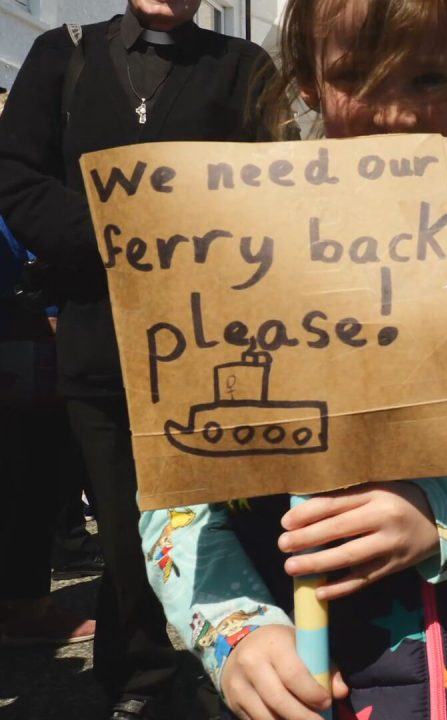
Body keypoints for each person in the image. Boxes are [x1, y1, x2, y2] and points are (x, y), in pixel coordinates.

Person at [142, 2, 447, 719]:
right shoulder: (235, 260)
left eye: (430, 77)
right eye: (357, 76)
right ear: (308, 79)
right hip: (329, 686)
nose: (399, 112)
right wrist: (234, 630)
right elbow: (176, 496)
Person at [0, 2, 279, 715]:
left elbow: (275, 186)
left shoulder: (245, 68)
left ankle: (228, 664)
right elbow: (16, 175)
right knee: (126, 528)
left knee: (220, 517)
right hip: (102, 345)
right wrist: (120, 235)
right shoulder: (62, 57)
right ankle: (144, 683)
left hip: (220, 346)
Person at [0, 212, 96, 647]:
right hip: (22, 338)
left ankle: (23, 603)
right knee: (28, 472)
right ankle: (25, 608)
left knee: (31, 471)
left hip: (27, 331)